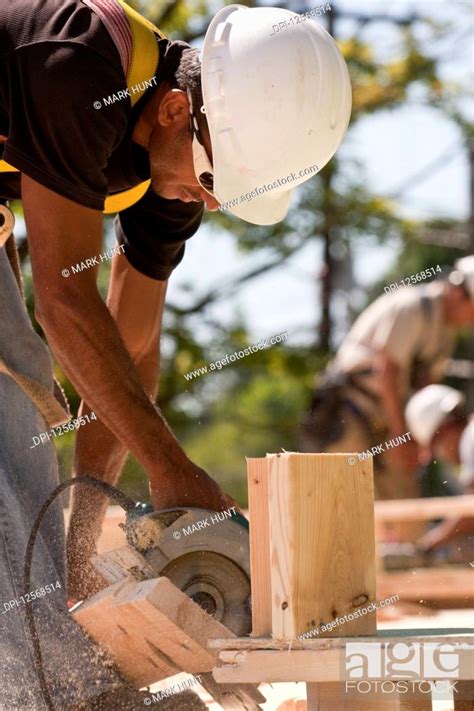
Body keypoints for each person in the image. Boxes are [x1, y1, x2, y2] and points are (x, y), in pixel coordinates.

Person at [0, 1, 351, 707]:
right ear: (174, 111)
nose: (210, 204)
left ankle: (46, 648)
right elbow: (64, 304)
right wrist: (170, 466)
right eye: (214, 181)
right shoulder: (75, 64)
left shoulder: (175, 172)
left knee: (28, 402)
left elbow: (126, 352)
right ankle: (32, 681)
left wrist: (81, 549)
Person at [300, 257, 474, 500]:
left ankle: (410, 540)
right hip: (354, 411)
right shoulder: (411, 306)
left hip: (391, 418)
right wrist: (400, 434)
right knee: (345, 497)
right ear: (459, 294)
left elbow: (426, 392)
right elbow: (387, 371)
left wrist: (419, 440)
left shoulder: (446, 332)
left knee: (402, 499)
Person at [405, 384, 474, 553]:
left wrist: (429, 545)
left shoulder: (470, 440)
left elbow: (471, 509)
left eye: (437, 450)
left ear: (443, 432)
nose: (444, 457)